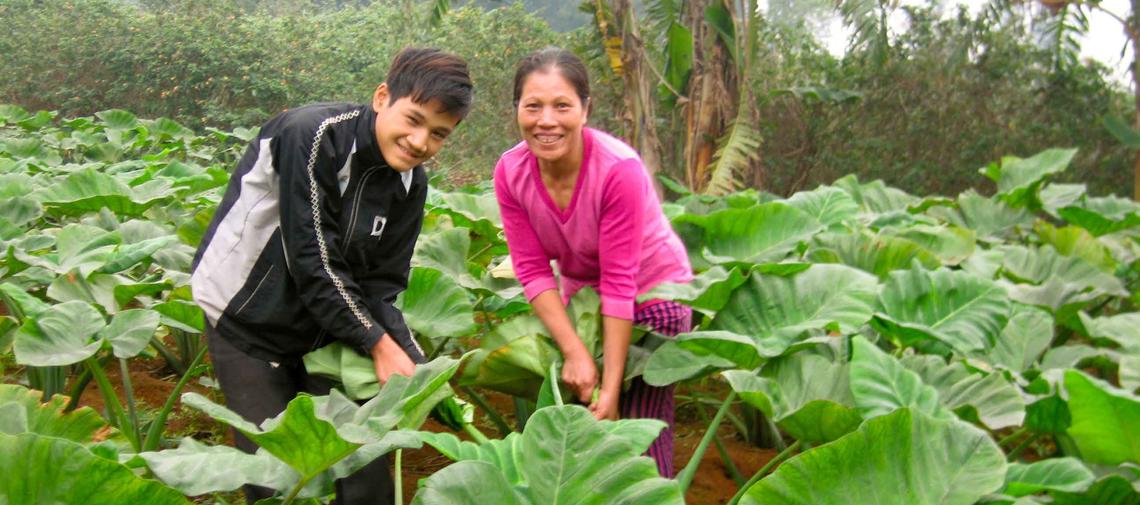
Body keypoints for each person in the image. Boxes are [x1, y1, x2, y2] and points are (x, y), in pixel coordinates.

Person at [190, 47, 474, 504]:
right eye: (414, 119)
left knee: (365, 472)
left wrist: (420, 369)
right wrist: (378, 343)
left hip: (325, 330)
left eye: (438, 134)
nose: (420, 141)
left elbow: (383, 287)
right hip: (247, 319)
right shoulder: (313, 134)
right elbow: (312, 258)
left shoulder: (411, 184)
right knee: (274, 481)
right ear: (382, 97)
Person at [493, 47, 693, 477]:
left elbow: (621, 281)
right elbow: (531, 269)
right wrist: (576, 352)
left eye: (562, 105)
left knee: (636, 427)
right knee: (586, 425)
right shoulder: (511, 172)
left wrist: (613, 384)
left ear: (585, 109)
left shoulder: (617, 169)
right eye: (533, 106)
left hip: (655, 290)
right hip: (585, 297)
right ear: (517, 111)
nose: (547, 120)